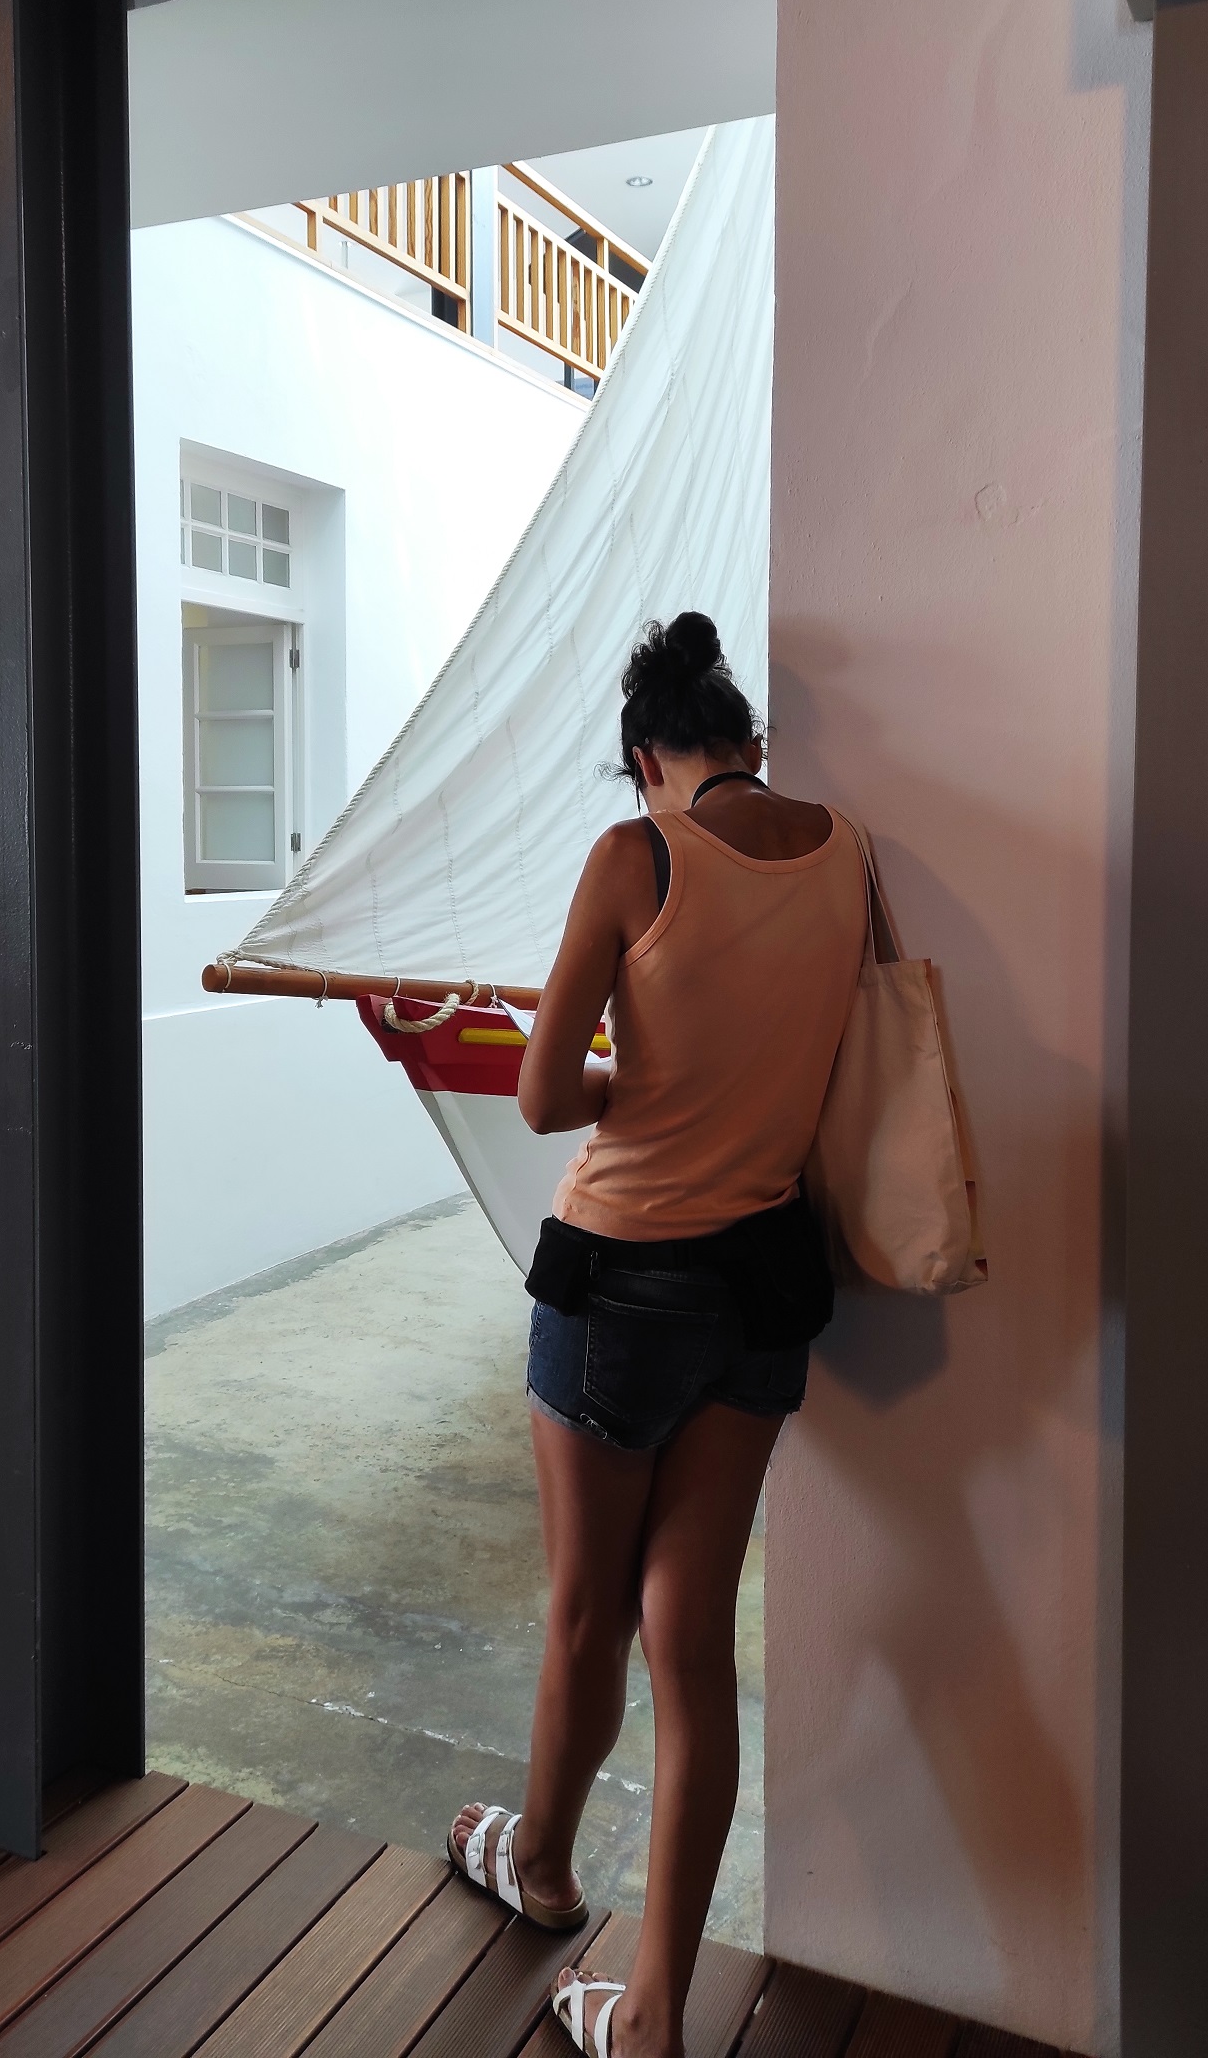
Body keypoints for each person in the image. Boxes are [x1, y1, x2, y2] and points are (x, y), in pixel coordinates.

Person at [446, 613, 869, 2058]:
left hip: (622, 1281)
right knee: (690, 1643)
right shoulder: (845, 851)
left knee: (585, 1615)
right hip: (764, 1283)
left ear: (646, 760)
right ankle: (652, 2015)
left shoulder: (638, 857)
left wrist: (641, 1081)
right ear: (748, 740)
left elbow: (543, 1095)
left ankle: (541, 1870)